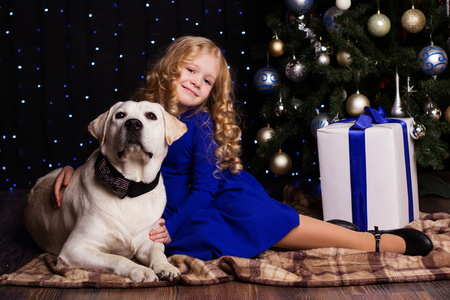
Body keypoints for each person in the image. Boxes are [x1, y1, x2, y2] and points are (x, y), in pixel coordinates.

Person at [53, 36, 433, 260]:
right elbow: (112, 146)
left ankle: (377, 241)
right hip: (157, 202)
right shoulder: (140, 111)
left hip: (207, 196)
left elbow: (204, 188)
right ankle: (326, 230)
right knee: (232, 233)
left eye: (206, 80)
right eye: (189, 70)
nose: (196, 82)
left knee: (256, 219)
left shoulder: (199, 123)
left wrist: (173, 224)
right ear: (170, 68)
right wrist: (74, 170)